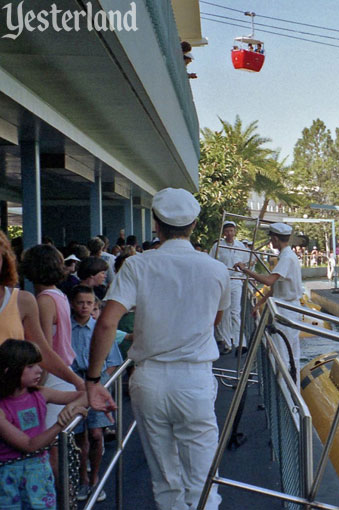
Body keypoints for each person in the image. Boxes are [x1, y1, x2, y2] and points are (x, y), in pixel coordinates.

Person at [86, 188, 230, 510]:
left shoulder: (137, 266)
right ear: (193, 224)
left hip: (149, 380)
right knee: (203, 481)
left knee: (165, 480)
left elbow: (108, 322)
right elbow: (215, 319)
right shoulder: (216, 269)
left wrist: (93, 381)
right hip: (194, 379)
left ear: (156, 224)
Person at [0, 340, 87, 510]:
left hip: (39, 472)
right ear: (9, 370)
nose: (39, 370)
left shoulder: (40, 393)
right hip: (7, 478)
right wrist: (61, 423)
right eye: (31, 366)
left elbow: (86, 395)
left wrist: (71, 407)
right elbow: (28, 445)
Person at [0, 232, 85, 393]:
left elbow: (44, 349)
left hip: (41, 381)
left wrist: (39, 388)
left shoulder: (33, 301)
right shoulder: (57, 295)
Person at [20, 244, 78, 477]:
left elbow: (41, 348)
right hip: (65, 370)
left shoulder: (43, 300)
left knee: (48, 447)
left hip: (51, 376)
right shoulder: (59, 295)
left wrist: (34, 385)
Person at [69, 286, 122, 502]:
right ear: (73, 304)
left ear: (95, 306)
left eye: (89, 303)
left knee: (96, 434)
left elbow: (113, 362)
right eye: (80, 302)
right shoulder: (67, 330)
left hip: (97, 385)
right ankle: (83, 479)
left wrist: (101, 383)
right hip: (75, 387)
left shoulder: (99, 329)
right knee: (80, 437)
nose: (84, 307)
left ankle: (95, 479)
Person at [234, 222, 302, 381]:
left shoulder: (287, 257)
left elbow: (269, 281)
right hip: (286, 308)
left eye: (272, 238)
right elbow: (274, 288)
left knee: (284, 354)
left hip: (287, 309)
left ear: (276, 238)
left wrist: (245, 269)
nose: (271, 241)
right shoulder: (286, 256)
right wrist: (259, 303)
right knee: (289, 352)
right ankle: (291, 392)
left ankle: (288, 394)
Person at [209, 221, 249, 354]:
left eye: (231, 231)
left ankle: (240, 343)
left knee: (235, 312)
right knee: (224, 313)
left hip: (236, 280)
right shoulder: (218, 246)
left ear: (235, 231)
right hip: (223, 280)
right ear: (223, 233)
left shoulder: (240, 246)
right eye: (227, 231)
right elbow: (212, 262)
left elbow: (246, 262)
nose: (229, 234)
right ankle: (227, 343)